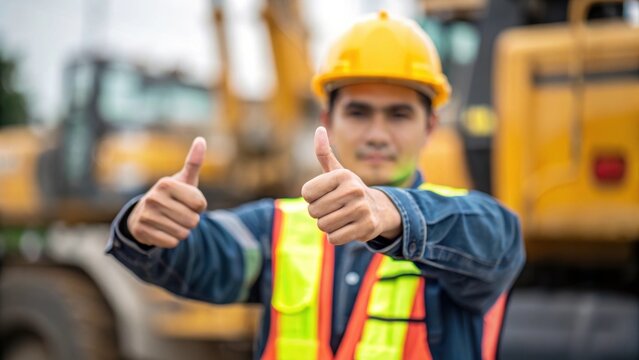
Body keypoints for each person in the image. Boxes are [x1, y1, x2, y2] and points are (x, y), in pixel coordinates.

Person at [107, 10, 525, 360]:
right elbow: (207, 253)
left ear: (430, 126)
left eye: (398, 115)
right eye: (359, 112)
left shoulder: (458, 226)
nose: (377, 134)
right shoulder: (279, 226)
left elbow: (499, 237)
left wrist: (392, 212)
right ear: (327, 119)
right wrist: (147, 229)